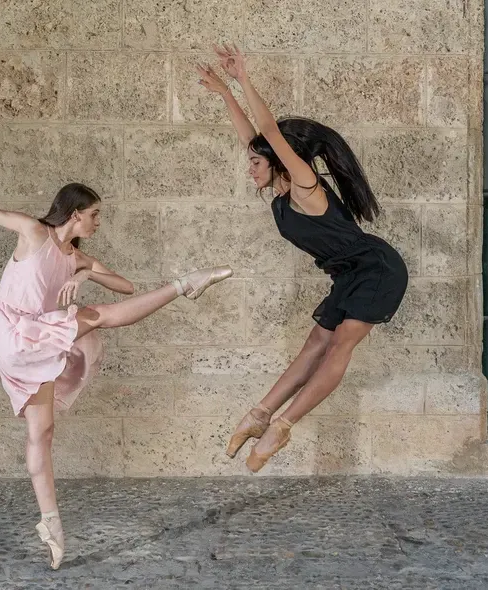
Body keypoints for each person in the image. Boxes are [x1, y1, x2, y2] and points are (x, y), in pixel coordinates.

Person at [0, 180, 233, 568]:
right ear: (75, 213)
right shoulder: (33, 231)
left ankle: (51, 526)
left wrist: (86, 273)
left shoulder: (75, 256)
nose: (98, 222)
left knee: (42, 433)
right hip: (14, 334)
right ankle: (185, 284)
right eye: (94, 215)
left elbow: (126, 286)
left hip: (35, 340)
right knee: (100, 316)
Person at [195, 44, 408, 472]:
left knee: (338, 346)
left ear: (279, 164)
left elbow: (270, 133)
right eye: (251, 161)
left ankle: (283, 425)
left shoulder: (305, 186)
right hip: (346, 274)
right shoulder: (279, 192)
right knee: (316, 342)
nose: (250, 167)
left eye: (257, 163)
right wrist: (224, 94)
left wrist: (244, 78)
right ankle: (259, 416)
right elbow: (255, 139)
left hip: (377, 269)